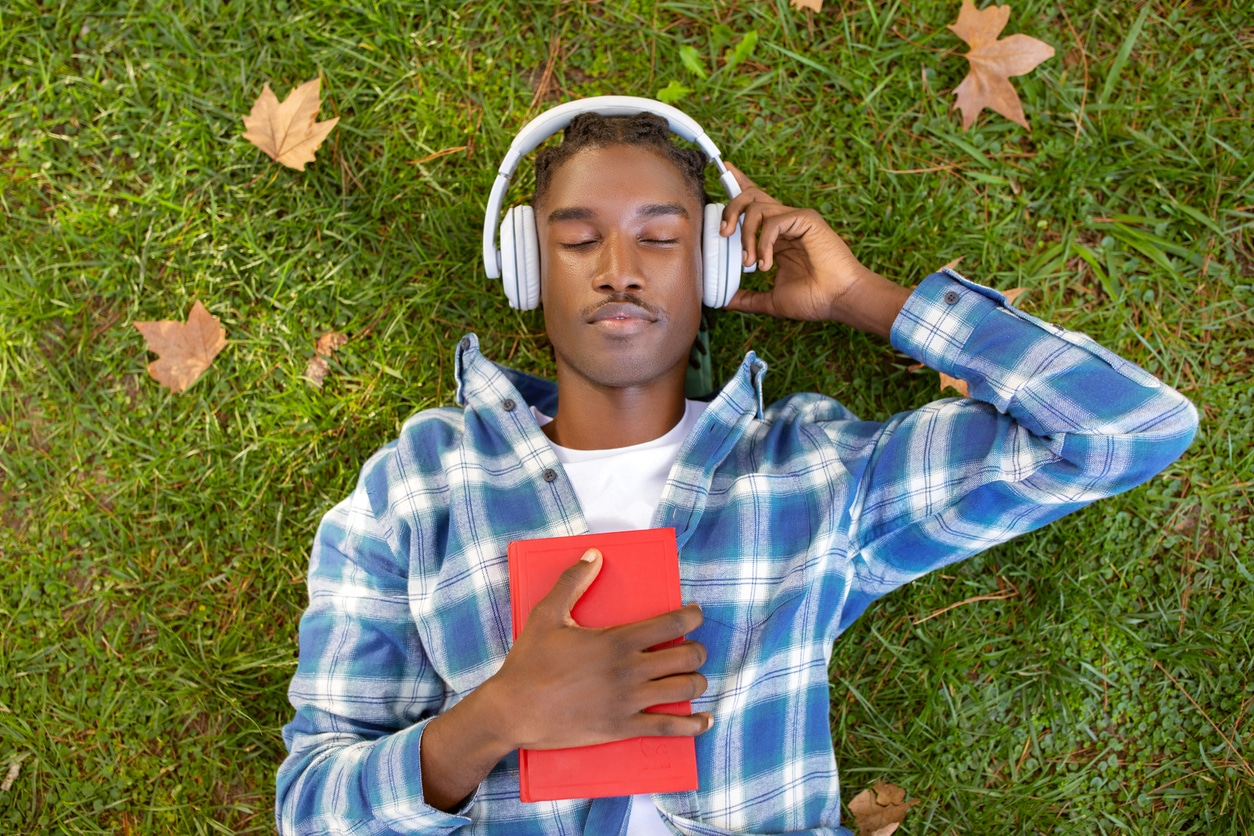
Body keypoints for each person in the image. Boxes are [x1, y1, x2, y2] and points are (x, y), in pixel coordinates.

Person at [275, 99, 1198, 836]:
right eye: (578, 240)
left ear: (715, 268)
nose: (620, 270)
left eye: (661, 238)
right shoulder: (418, 484)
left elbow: (1128, 429)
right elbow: (310, 807)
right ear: (526, 268)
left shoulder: (814, 470)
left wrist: (860, 296)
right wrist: (496, 717)